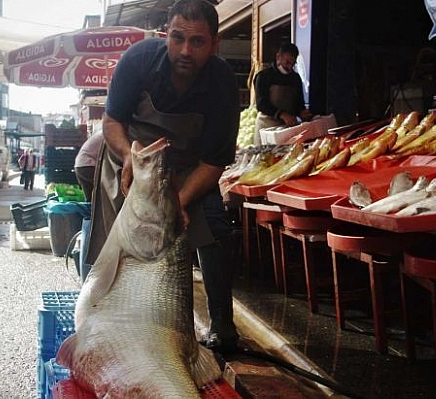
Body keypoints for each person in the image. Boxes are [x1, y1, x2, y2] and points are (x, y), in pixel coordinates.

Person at [89, 0, 240, 352]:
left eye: (198, 42)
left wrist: (177, 204)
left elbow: (214, 162)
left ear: (215, 44)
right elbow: (111, 122)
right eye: (177, 38)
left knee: (215, 230)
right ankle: (96, 323)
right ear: (165, 35)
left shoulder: (221, 84)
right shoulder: (138, 60)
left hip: (189, 169)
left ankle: (222, 327)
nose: (186, 50)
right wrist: (129, 156)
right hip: (130, 159)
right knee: (109, 244)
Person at [253, 42, 313, 145]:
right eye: (287, 62)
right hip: (266, 125)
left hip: (286, 128)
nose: (290, 67)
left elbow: (299, 103)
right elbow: (261, 104)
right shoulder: (263, 76)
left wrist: (302, 112)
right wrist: (282, 114)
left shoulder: (295, 78)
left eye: (293, 64)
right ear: (278, 56)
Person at [74, 130, 104, 202]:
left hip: (79, 166)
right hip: (89, 165)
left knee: (90, 199)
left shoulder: (101, 133)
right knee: (105, 191)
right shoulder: (109, 134)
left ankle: (90, 212)